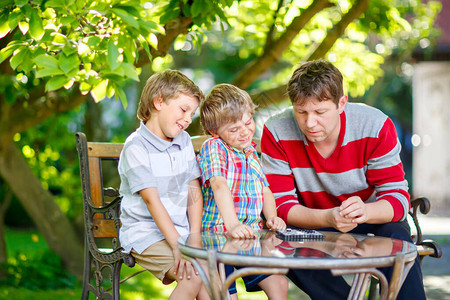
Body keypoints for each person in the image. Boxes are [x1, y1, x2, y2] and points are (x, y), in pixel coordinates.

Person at [260, 59, 426, 300]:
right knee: (282, 238)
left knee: (398, 238)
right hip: (312, 219)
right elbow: (281, 206)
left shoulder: (375, 125)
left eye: (320, 112)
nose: (310, 123)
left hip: (371, 215)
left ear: (341, 103)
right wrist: (328, 217)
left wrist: (366, 212)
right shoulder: (276, 130)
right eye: (301, 112)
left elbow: (398, 200)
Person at [118, 70, 209, 300]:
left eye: (192, 113)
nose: (189, 119)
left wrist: (194, 236)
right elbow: (152, 200)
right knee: (193, 275)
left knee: (210, 276)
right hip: (145, 234)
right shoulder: (136, 147)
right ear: (159, 101)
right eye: (183, 109)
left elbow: (192, 188)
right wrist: (179, 246)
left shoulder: (184, 141)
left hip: (181, 232)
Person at [197, 83, 288, 299]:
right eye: (234, 129)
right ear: (214, 131)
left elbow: (264, 189)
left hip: (250, 236)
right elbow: (218, 184)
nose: (245, 132)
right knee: (226, 295)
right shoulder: (215, 147)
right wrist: (233, 225)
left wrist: (272, 217)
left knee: (279, 283)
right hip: (219, 236)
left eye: (248, 123)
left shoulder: (250, 152)